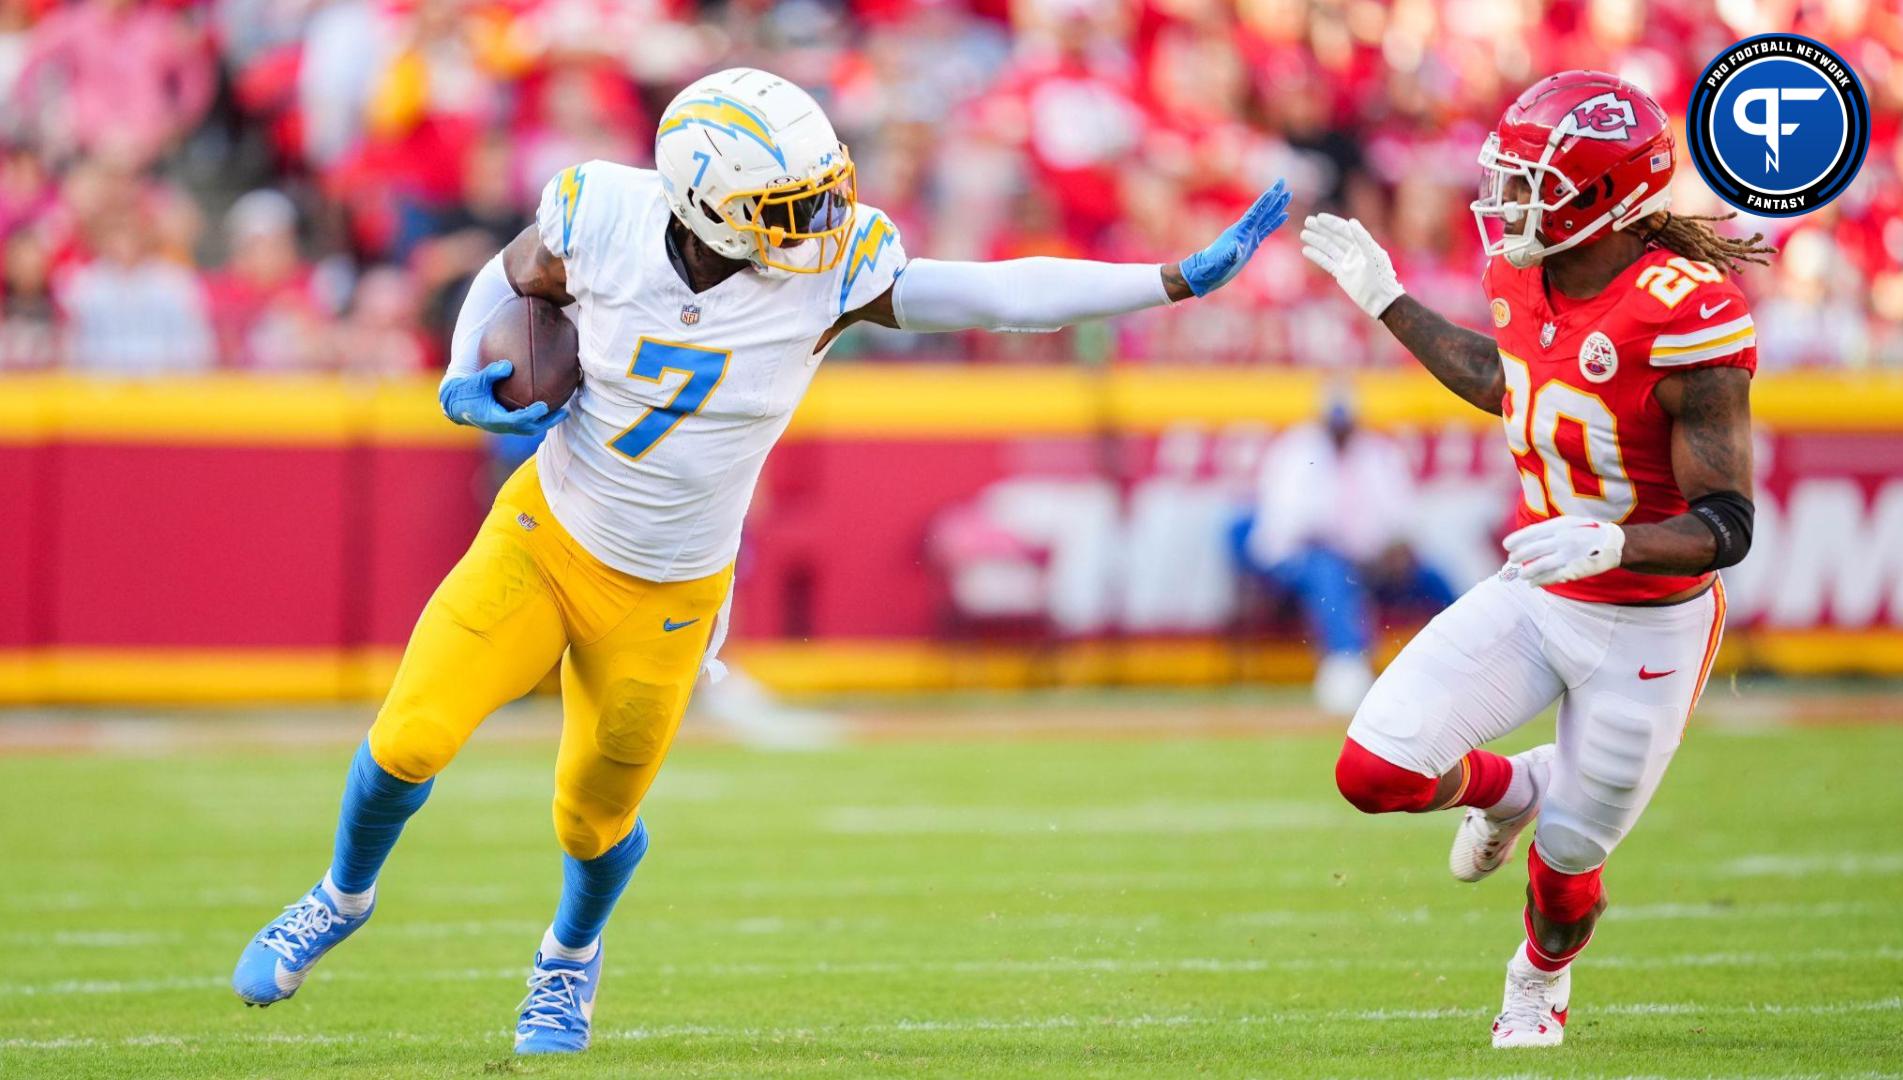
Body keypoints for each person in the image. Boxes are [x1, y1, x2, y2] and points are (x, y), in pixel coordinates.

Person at [230, 67, 1292, 1054]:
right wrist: (465, 371)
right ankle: (341, 897)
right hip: (545, 536)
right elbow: (511, 275)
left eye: (821, 195)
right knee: (410, 736)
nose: (820, 222)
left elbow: (998, 295)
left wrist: (1167, 280)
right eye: (789, 205)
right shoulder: (605, 213)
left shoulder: (829, 274)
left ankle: (567, 960)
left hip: (671, 591)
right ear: (706, 205)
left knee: (592, 818)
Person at [1301, 71, 1765, 1049]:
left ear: (1603, 196)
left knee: (1564, 877)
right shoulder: (1525, 271)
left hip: (1650, 624)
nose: (1506, 201)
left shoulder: (1684, 312)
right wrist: (1388, 301)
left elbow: (1728, 521)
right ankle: (1513, 789)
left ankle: (1538, 978)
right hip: (1540, 593)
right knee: (1372, 771)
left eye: (1530, 183)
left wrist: (1617, 540)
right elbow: (1504, 376)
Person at [1233, 393, 1454, 713]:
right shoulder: (1297, 450)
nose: (1340, 431)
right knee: (1330, 572)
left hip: (1369, 562)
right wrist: (1353, 550)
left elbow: (1403, 517)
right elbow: (1295, 524)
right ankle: (1346, 666)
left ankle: (1467, 655)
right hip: (1295, 562)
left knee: (1431, 576)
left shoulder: (1377, 452)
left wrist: (1395, 548)